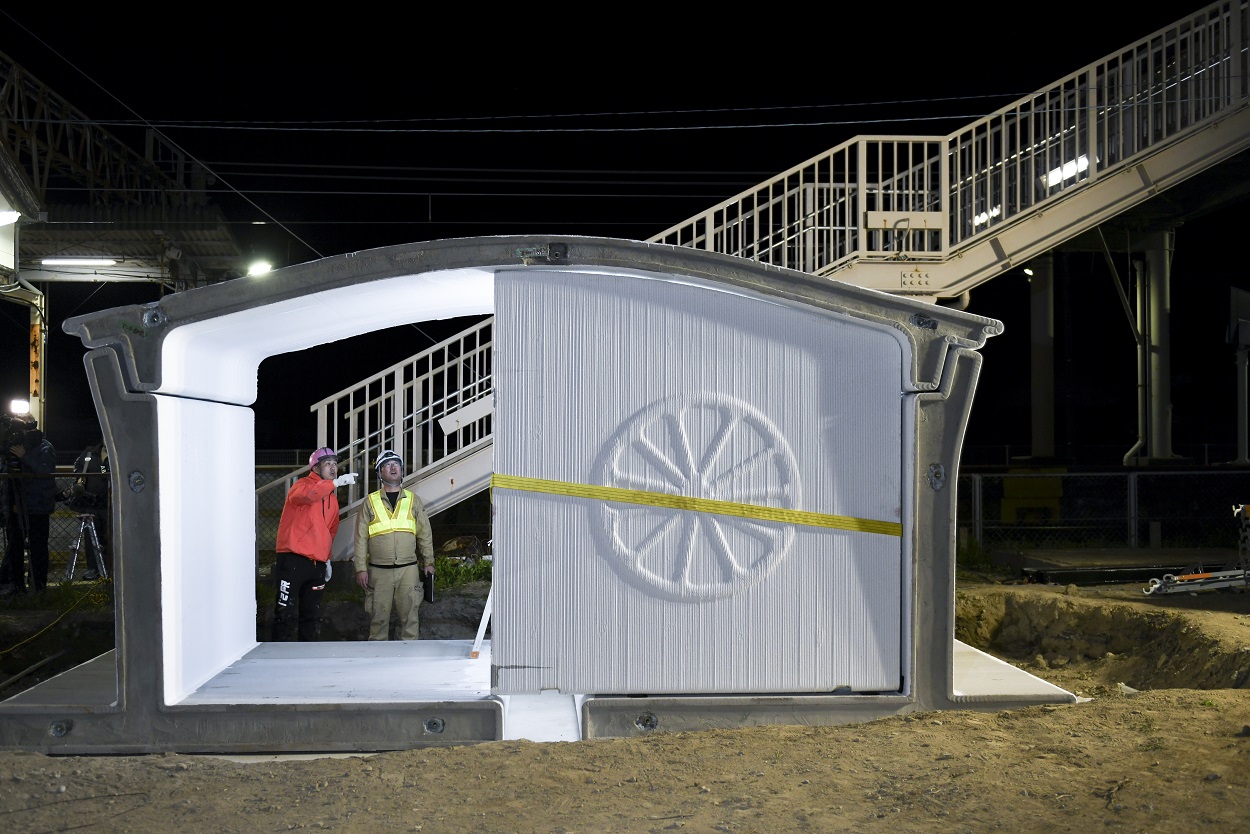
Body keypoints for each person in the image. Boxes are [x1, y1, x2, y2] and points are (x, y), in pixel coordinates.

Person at [270, 447, 357, 641]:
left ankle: (306, 657)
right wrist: (334, 483)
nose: (333, 468)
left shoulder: (332, 499)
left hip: (316, 564)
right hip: (293, 559)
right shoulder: (301, 485)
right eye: (328, 464)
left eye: (335, 464)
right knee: (284, 611)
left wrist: (326, 559)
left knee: (311, 615)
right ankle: (277, 658)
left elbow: (331, 531)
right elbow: (309, 496)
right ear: (315, 468)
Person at [353, 449, 434, 641]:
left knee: (410, 621)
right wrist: (360, 569)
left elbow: (425, 534)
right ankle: (378, 664)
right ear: (380, 472)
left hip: (408, 570)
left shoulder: (413, 501)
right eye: (387, 464)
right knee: (378, 621)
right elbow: (360, 538)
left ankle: (410, 665)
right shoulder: (369, 503)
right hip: (378, 572)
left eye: (396, 464)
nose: (393, 467)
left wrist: (429, 562)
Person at [1, 414, 57, 596]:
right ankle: (15, 586)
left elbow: (46, 471)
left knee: (38, 547)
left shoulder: (44, 447)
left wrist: (25, 457)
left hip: (37, 508)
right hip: (16, 508)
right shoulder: (12, 447)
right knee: (15, 547)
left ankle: (38, 586)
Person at [58, 439, 111, 580]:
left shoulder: (116, 454)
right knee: (90, 538)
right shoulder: (89, 453)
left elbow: (111, 474)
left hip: (109, 503)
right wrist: (80, 476)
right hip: (89, 502)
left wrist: (104, 468)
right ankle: (93, 569)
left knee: (109, 537)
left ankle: (109, 569)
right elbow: (78, 465)